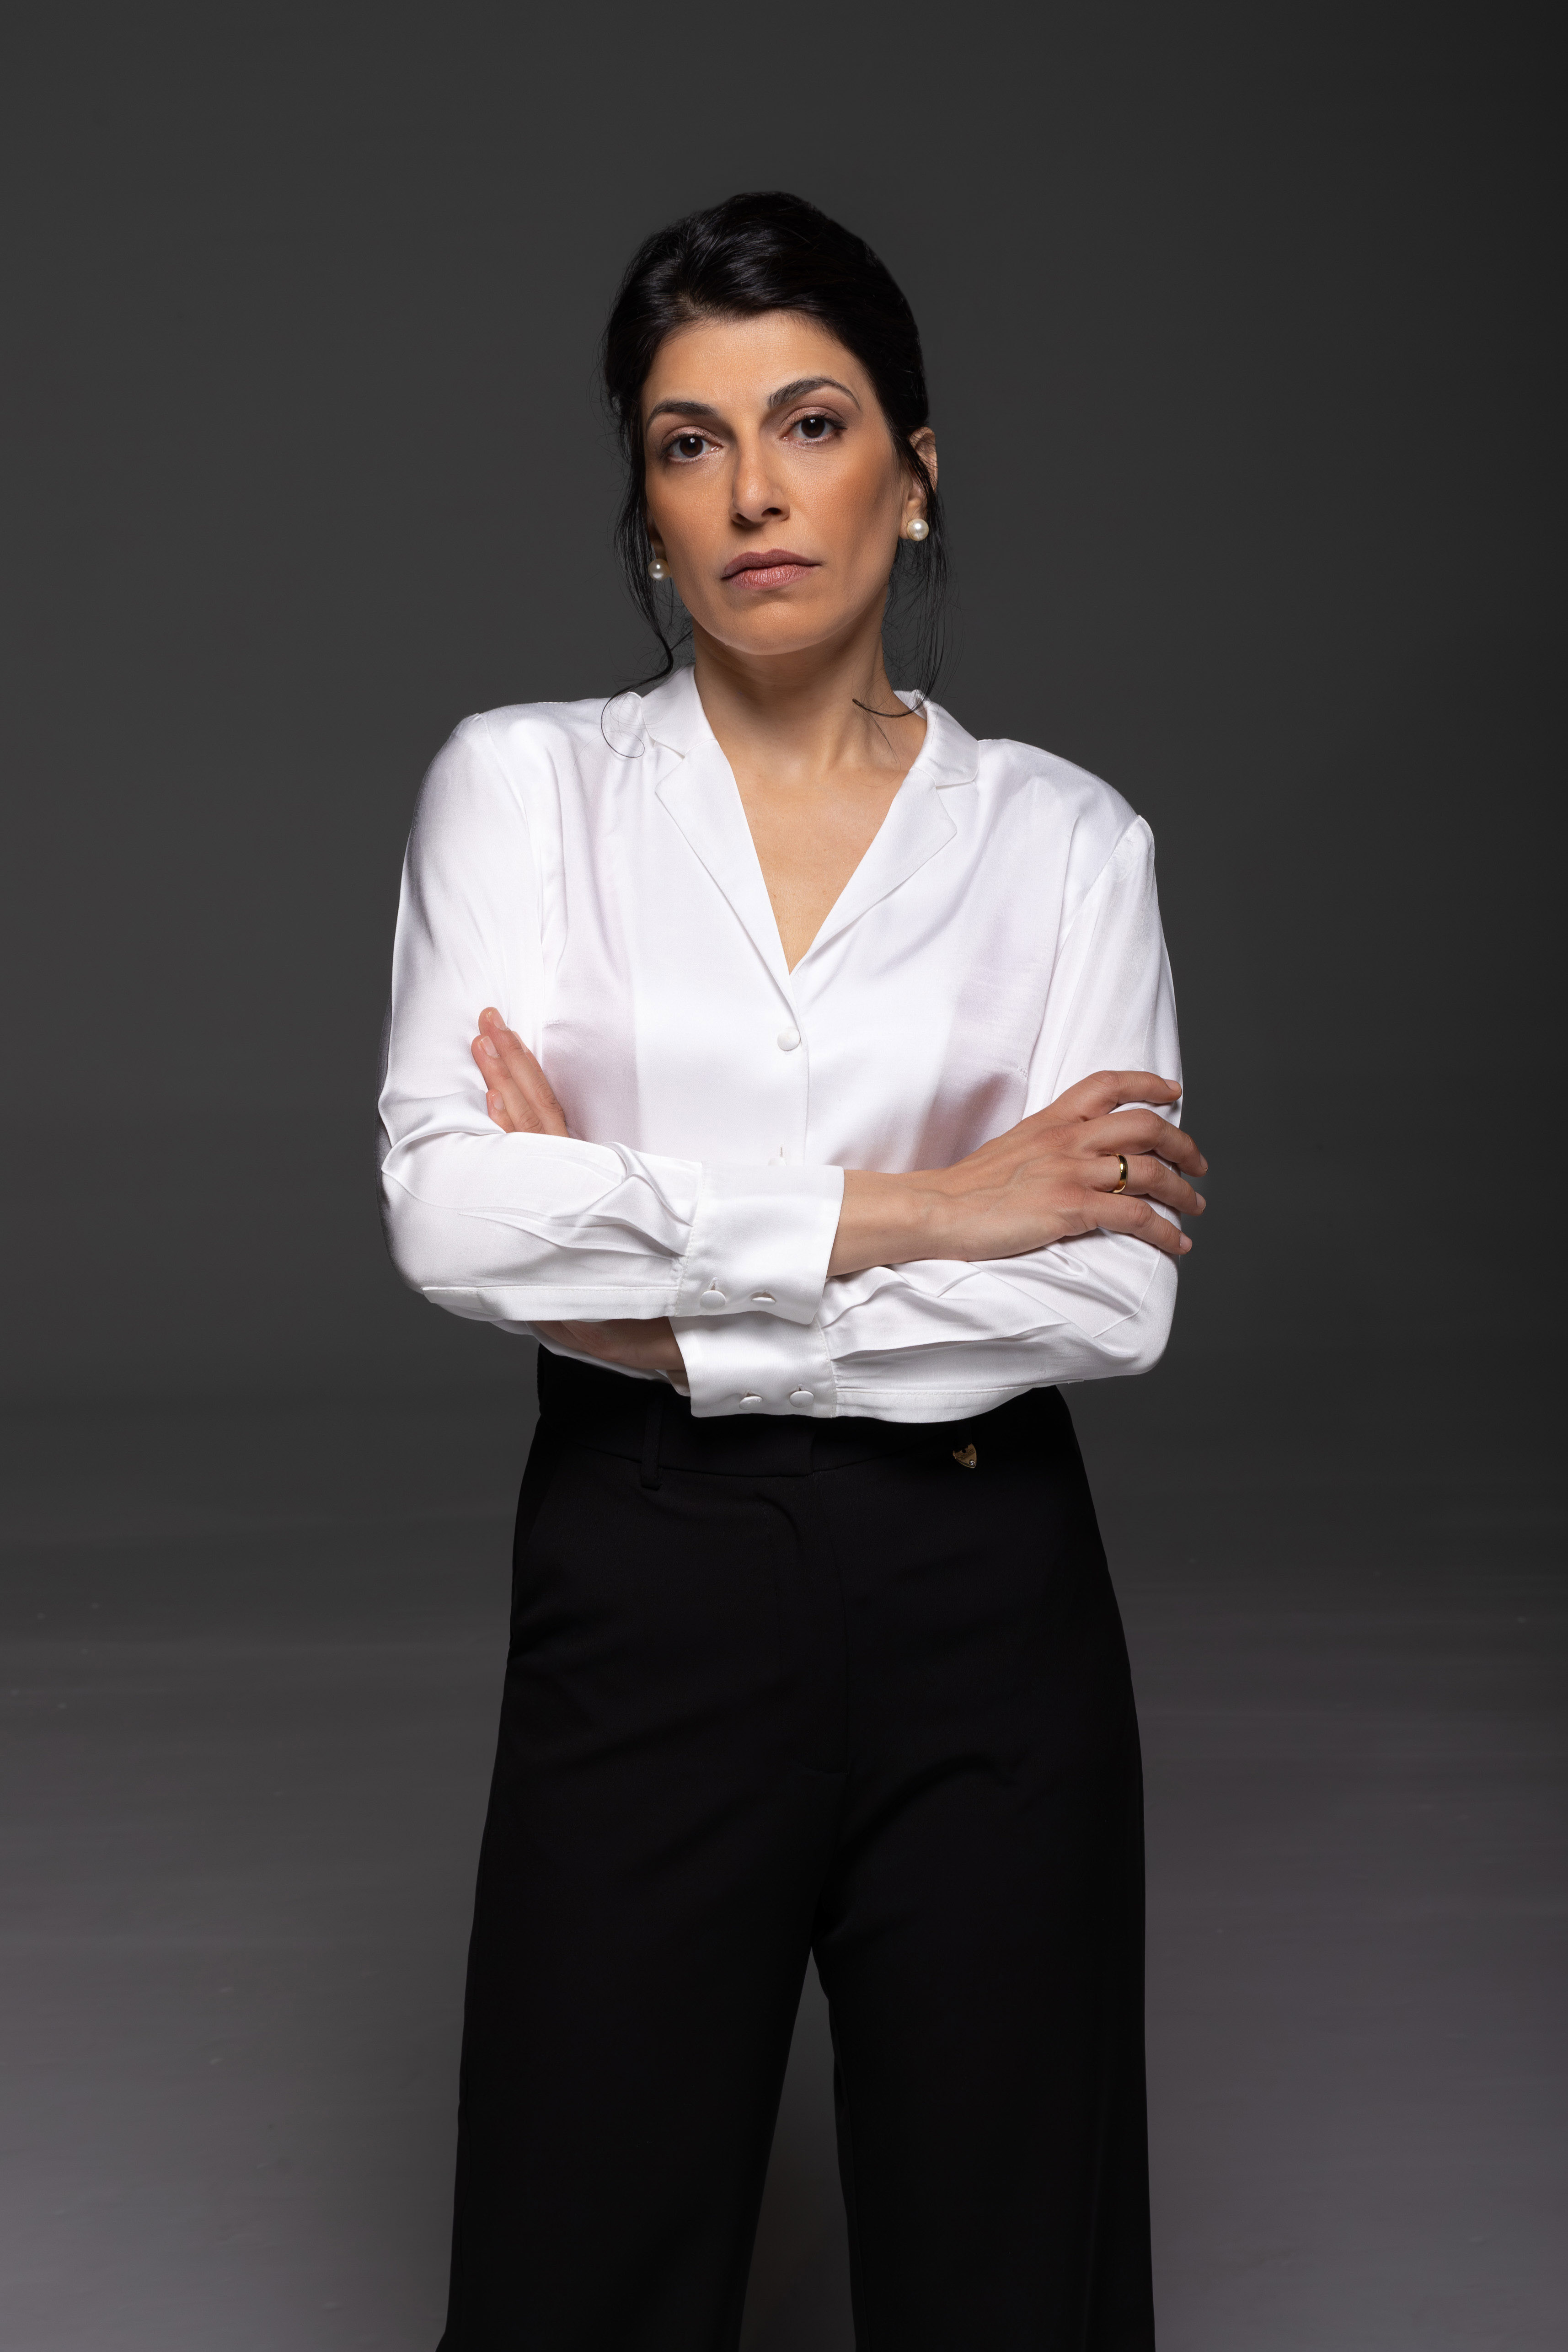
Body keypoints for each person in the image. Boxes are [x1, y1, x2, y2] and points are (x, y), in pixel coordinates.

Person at [377, 189, 1205, 2352]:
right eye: (689, 441)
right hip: (643, 1580)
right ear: (646, 509)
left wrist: (645, 1268)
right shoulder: (524, 789)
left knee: (1016, 2274)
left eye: (810, 422)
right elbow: (451, 1213)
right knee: (575, 2260)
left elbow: (1107, 1295)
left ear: (913, 473)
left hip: (988, 1593)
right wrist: (934, 1204)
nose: (753, 489)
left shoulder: (1069, 844)